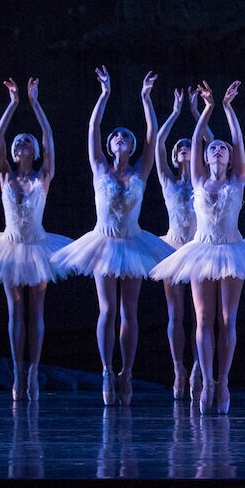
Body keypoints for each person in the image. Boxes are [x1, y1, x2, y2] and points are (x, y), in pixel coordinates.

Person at [52, 67, 172, 406]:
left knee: (129, 311)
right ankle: (106, 370)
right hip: (104, 243)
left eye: (126, 136)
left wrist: (146, 98)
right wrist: (104, 95)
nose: (120, 137)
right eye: (116, 136)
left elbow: (152, 135)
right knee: (108, 310)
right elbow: (93, 129)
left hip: (132, 242)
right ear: (109, 146)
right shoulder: (100, 168)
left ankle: (127, 373)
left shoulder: (140, 170)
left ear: (131, 146)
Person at [150, 80, 245, 414]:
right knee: (203, 318)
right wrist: (204, 110)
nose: (218, 149)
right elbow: (197, 137)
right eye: (212, 147)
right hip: (201, 249)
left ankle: (223, 381)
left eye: (223, 148)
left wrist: (228, 109)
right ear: (203, 157)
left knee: (227, 319)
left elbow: (239, 143)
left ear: (230, 157)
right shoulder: (198, 178)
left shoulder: (238, 178)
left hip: (232, 248)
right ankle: (203, 377)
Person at [0, 77, 71, 402]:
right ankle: (17, 373)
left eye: (27, 139)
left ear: (34, 150)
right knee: (15, 311)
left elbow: (49, 136)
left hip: (37, 246)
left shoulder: (43, 176)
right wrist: (12, 104)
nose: (22, 142)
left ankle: (34, 372)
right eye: (19, 140)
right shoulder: (6, 175)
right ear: (13, 150)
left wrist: (35, 104)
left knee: (36, 311)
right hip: (9, 247)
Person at [154, 87, 207, 400]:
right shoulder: (167, 179)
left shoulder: (202, 178)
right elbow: (159, 143)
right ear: (175, 156)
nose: (186, 148)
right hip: (173, 246)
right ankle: (178, 369)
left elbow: (211, 141)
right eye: (181, 146)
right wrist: (176, 112)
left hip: (199, 248)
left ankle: (200, 365)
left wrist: (200, 115)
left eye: (190, 145)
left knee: (201, 315)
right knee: (176, 314)